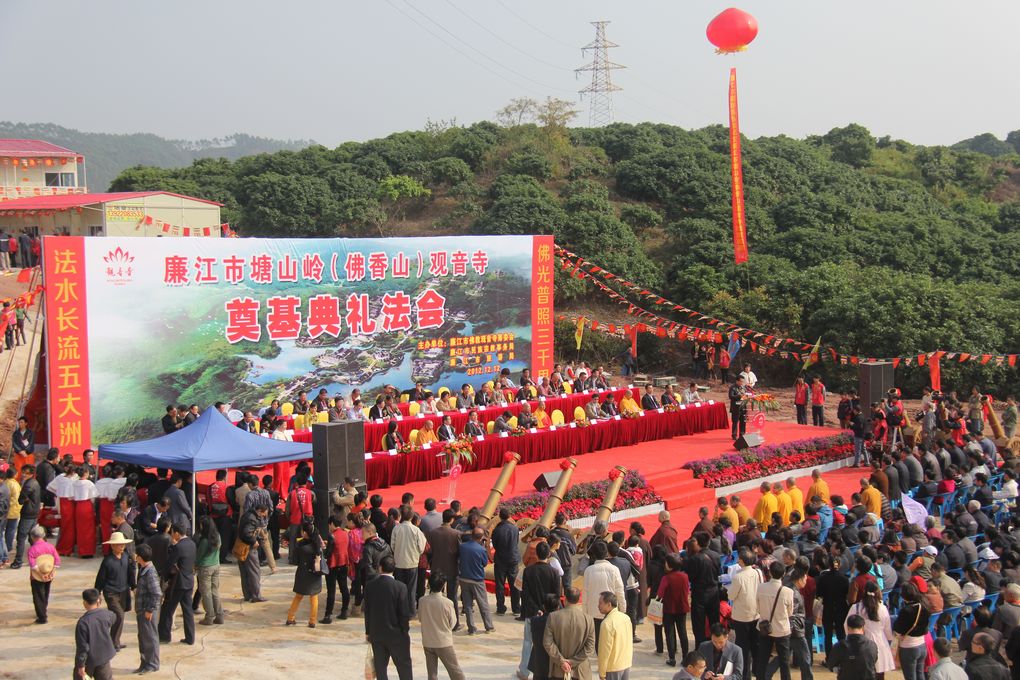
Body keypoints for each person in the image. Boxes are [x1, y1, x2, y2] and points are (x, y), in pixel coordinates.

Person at [364, 555, 413, 680]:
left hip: (377, 634)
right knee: (404, 668)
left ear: (380, 568)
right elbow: (404, 614)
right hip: (397, 635)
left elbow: (368, 611)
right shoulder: (400, 587)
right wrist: (404, 631)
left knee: (380, 670)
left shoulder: (370, 586)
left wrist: (368, 632)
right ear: (394, 569)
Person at [419, 575, 466, 680]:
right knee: (455, 671)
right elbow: (453, 623)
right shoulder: (447, 603)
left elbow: (420, 618)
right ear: (443, 585)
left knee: (432, 674)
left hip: (428, 641)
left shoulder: (422, 601)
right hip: (443, 642)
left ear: (429, 584)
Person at [543, 586, 595, 680]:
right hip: (580, 671)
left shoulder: (553, 617)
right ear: (579, 599)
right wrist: (572, 662)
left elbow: (547, 643)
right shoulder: (588, 619)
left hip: (558, 670)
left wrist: (562, 662)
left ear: (565, 599)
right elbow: (590, 648)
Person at [95, 531, 136, 650]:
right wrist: (98, 593)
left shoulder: (125, 557)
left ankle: (114, 640)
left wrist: (133, 586)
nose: (122, 547)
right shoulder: (107, 561)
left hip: (123, 591)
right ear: (112, 546)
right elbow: (100, 579)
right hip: (111, 592)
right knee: (119, 615)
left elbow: (130, 573)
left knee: (119, 616)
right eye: (119, 545)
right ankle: (113, 643)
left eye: (123, 544)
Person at [158, 522, 196, 645]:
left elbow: (169, 565)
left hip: (178, 583)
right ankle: (190, 637)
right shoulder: (192, 543)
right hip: (189, 581)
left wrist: (164, 576)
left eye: (173, 533)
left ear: (177, 534)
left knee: (168, 609)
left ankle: (164, 636)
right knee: (188, 611)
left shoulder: (178, 547)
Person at [755, 561, 793, 680]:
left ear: (770, 573)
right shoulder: (788, 592)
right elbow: (790, 612)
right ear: (783, 574)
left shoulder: (761, 588)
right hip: (782, 630)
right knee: (784, 662)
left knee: (762, 659)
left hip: (764, 628)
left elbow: (757, 608)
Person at [584, 541, 625, 647]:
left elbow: (585, 594)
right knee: (610, 642)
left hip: (594, 611)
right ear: (606, 553)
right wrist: (623, 610)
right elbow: (620, 591)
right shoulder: (614, 570)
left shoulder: (589, 570)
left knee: (598, 640)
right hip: (610, 610)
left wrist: (585, 613)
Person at [728, 549, 761, 680]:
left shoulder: (738, 577)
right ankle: (758, 671)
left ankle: (745, 675)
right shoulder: (758, 573)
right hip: (756, 614)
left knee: (743, 647)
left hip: (742, 616)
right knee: (755, 645)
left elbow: (731, 595)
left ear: (741, 561)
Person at [74, 588, 118, 680]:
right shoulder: (107, 615)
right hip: (103, 658)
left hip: (89, 661)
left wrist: (81, 665)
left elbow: (83, 647)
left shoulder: (83, 622)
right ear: (98, 600)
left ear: (85, 603)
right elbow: (114, 618)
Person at [286, 519, 323, 627]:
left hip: (302, 573)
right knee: (314, 597)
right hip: (314, 574)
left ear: (305, 533)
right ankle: (312, 621)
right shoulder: (317, 546)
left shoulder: (300, 545)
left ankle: (290, 618)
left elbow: (295, 560)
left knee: (298, 596)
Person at [458, 527, 494, 634]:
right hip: (477, 580)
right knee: (483, 604)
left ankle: (471, 628)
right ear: (481, 537)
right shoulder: (481, 549)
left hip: (464, 578)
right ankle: (489, 626)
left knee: (468, 605)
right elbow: (484, 563)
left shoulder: (462, 547)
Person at [392, 504, 426, 616]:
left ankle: (400, 610)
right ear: (412, 517)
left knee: (400, 588)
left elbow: (392, 545)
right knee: (411, 589)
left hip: (399, 562)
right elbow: (421, 548)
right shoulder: (416, 530)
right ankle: (411, 612)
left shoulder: (396, 529)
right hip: (412, 563)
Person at [133, 543, 162, 674]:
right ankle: (145, 662)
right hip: (142, 609)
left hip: (147, 611)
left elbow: (157, 593)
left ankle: (152, 664)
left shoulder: (150, 572)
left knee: (150, 638)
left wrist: (149, 610)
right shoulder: (143, 569)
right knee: (143, 638)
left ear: (140, 557)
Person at [658, 552, 691, 667]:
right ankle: (685, 657)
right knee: (683, 632)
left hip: (669, 608)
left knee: (670, 633)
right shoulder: (685, 576)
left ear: (670, 565)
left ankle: (672, 658)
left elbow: (660, 594)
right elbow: (687, 591)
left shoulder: (666, 578)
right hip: (682, 608)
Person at [893, 582, 931, 680]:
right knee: (920, 674)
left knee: (910, 677)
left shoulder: (906, 611)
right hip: (922, 645)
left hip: (908, 647)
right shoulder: (924, 606)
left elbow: (898, 629)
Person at [824, 614, 878, 680]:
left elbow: (830, 665)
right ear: (863, 628)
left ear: (847, 627)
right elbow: (874, 660)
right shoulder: (872, 645)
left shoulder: (839, 646)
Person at [491, 507, 522, 617]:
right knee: (514, 585)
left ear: (500, 517)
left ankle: (500, 608)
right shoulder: (514, 529)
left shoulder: (497, 530)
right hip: (513, 559)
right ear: (509, 516)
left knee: (500, 585)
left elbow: (494, 545)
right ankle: (516, 608)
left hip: (500, 560)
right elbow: (516, 542)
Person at [320, 514, 350, 623]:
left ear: (332, 524)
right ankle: (344, 611)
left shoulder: (332, 536)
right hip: (343, 564)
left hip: (333, 565)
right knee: (344, 588)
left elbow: (328, 553)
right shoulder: (345, 533)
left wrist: (324, 548)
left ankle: (328, 615)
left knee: (331, 591)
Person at [597, 591, 633, 680]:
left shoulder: (607, 623)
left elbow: (604, 651)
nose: (598, 606)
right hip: (626, 664)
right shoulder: (626, 618)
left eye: (600, 603)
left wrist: (601, 672)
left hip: (613, 668)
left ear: (609, 605)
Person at [194, 515, 223, 626]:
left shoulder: (204, 541)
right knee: (215, 591)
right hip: (216, 565)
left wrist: (195, 565)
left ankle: (209, 616)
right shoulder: (217, 536)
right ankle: (219, 615)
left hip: (205, 568)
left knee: (206, 593)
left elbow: (199, 556)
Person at [27, 523, 59, 623]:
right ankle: (43, 610)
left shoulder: (32, 549)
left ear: (33, 537)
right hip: (49, 573)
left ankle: (42, 617)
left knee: (38, 595)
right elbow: (57, 561)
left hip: (37, 576)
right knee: (46, 593)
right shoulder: (50, 547)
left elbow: (34, 566)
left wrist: (41, 575)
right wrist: (51, 573)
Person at [12, 463, 41, 568]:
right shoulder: (35, 483)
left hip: (28, 514)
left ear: (31, 474)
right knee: (32, 538)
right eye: (23, 472)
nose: (24, 474)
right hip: (34, 513)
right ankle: (35, 558)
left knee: (21, 538)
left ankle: (18, 561)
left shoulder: (28, 485)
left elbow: (20, 500)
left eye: (26, 473)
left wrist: (25, 499)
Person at [730, 375, 748, 441]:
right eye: (741, 381)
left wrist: (747, 397)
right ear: (737, 381)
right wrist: (739, 396)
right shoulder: (732, 387)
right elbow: (731, 396)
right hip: (736, 407)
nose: (742, 383)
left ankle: (742, 434)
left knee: (743, 421)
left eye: (743, 381)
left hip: (743, 406)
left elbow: (746, 395)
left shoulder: (743, 387)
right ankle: (734, 435)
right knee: (735, 421)